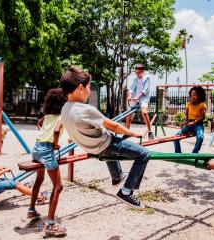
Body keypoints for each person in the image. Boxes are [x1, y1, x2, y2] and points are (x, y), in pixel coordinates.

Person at [60, 66, 150, 209]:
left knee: (105, 136)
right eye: (89, 86)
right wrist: (134, 133)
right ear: (81, 88)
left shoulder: (64, 108)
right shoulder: (85, 109)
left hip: (90, 148)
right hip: (105, 145)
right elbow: (114, 126)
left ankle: (117, 176)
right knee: (144, 154)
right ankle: (126, 192)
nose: (89, 90)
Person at [28, 88, 67, 235]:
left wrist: (44, 135)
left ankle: (31, 210)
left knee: (39, 178)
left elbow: (39, 123)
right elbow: (57, 131)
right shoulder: (62, 117)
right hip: (47, 150)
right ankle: (50, 223)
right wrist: (55, 143)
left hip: (37, 148)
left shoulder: (48, 115)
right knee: (58, 186)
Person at [124, 64, 154, 140]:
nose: (137, 74)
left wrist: (138, 97)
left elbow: (145, 90)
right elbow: (131, 89)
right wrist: (129, 96)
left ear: (143, 72)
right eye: (136, 72)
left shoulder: (147, 78)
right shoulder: (135, 78)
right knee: (128, 114)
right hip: (134, 98)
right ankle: (127, 132)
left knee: (144, 113)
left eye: (139, 72)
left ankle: (150, 131)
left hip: (143, 98)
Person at [173, 86, 206, 153]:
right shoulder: (189, 104)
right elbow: (186, 115)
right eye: (191, 95)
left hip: (198, 125)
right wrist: (185, 120)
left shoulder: (202, 105)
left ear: (199, 96)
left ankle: (194, 153)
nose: (192, 97)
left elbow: (202, 117)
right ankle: (178, 153)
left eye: (194, 95)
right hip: (189, 125)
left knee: (200, 137)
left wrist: (194, 122)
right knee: (175, 137)